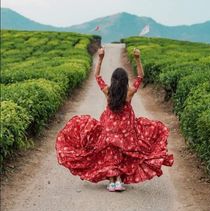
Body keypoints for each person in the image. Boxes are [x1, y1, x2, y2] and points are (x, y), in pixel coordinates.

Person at [55, 47, 174, 192]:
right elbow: (140, 77)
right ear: (124, 81)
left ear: (113, 80)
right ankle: (118, 181)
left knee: (110, 153)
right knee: (122, 153)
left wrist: (100, 58)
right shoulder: (129, 92)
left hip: (110, 128)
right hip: (125, 131)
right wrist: (137, 59)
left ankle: (112, 182)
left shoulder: (108, 91)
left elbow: (97, 76)